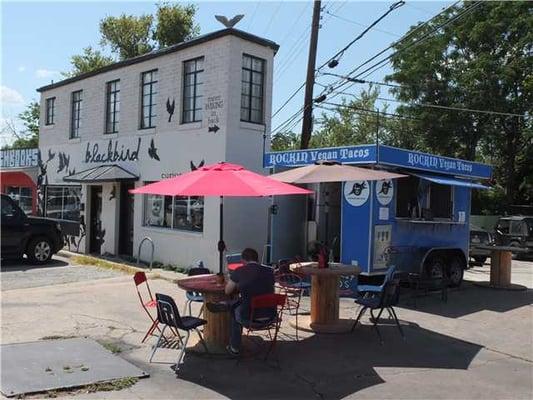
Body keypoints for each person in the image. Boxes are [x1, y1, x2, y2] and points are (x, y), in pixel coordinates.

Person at [207, 248, 275, 356]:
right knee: (242, 302)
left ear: (243, 261)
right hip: (270, 315)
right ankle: (226, 304)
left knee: (235, 311)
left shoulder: (239, 271)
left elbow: (227, 290)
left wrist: (237, 283)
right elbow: (265, 287)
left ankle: (234, 347)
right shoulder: (269, 272)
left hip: (250, 317)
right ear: (257, 259)